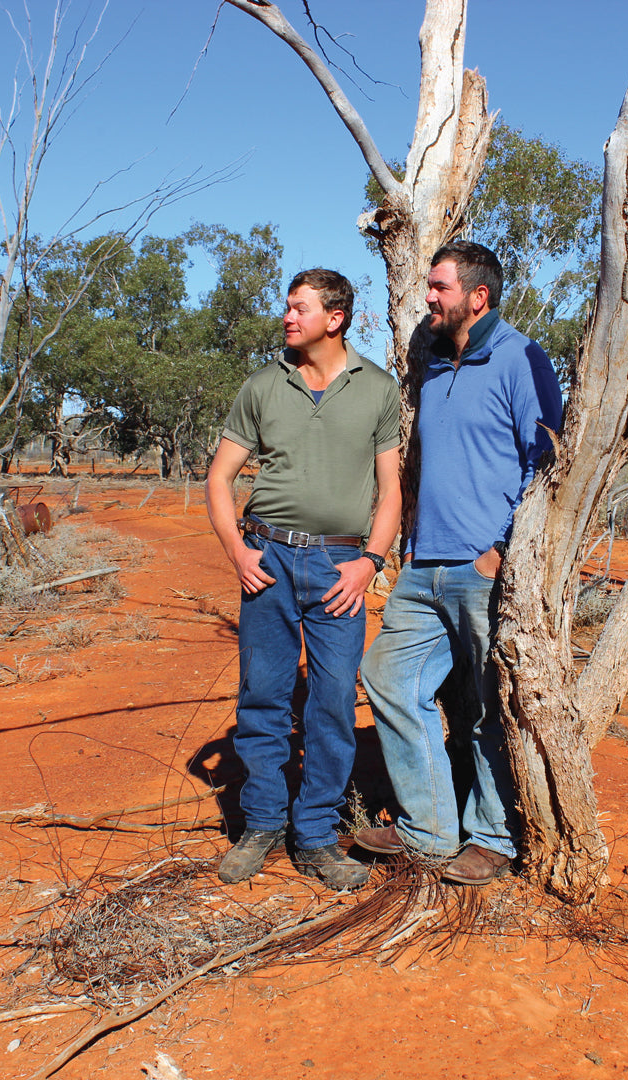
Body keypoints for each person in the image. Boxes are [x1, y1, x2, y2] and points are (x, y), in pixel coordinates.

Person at [354, 240, 563, 886]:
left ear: (478, 296)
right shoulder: (434, 363)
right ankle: (428, 827)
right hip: (423, 566)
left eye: (439, 286)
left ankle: (494, 838)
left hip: (483, 569)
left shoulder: (520, 358)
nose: (428, 297)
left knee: (489, 705)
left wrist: (501, 553)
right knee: (388, 677)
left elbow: (548, 463)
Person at [205, 268, 401, 890]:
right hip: (267, 559)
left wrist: (370, 562)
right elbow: (219, 478)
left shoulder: (379, 389)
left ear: (335, 318)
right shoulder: (264, 385)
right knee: (263, 696)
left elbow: (392, 490)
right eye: (287, 307)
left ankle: (315, 834)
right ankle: (262, 823)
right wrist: (237, 552)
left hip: (341, 567)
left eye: (300, 308)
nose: (288, 317)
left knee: (334, 701)